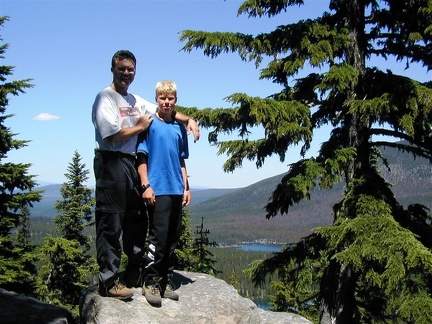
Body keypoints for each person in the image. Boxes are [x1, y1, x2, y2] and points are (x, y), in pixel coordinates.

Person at [92, 50, 199, 300]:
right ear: (113, 70)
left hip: (133, 165)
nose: (126, 73)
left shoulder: (135, 100)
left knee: (136, 219)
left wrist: (189, 120)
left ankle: (134, 273)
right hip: (112, 161)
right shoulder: (105, 98)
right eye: (122, 69)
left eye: (130, 69)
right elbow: (110, 135)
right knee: (111, 220)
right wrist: (140, 127)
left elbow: (166, 112)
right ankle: (108, 280)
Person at [136, 80, 191, 307]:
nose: (166, 102)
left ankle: (165, 280)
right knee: (157, 238)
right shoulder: (150, 125)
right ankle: (151, 281)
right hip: (157, 189)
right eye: (162, 98)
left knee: (172, 236)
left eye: (170, 99)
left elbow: (181, 160)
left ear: (175, 101)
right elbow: (141, 157)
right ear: (156, 99)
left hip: (176, 188)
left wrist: (187, 187)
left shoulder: (179, 128)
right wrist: (145, 185)